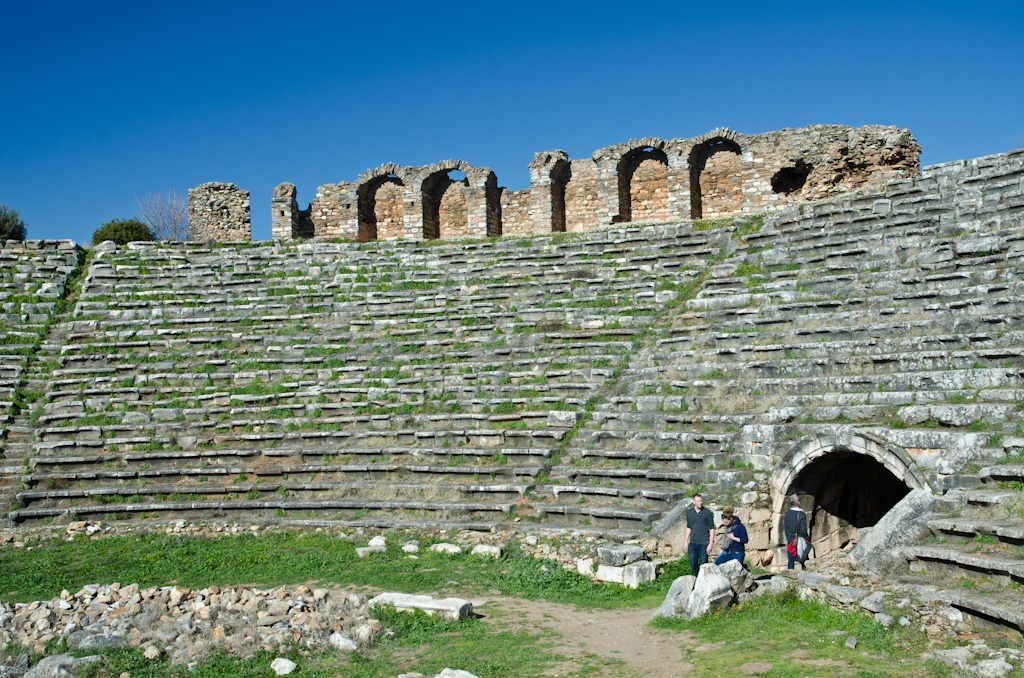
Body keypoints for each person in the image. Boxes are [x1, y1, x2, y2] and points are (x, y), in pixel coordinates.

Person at [682, 493, 715, 577]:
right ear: (694, 502)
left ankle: (703, 582)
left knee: (703, 566)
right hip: (693, 542)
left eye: (701, 501)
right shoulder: (689, 512)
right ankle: (697, 579)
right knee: (693, 564)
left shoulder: (707, 513)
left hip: (704, 543)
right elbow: (689, 527)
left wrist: (710, 544)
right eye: (698, 501)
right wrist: (686, 542)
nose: (700, 503)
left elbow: (712, 528)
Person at [784, 494, 809, 570]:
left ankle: (790, 574)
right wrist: (806, 538)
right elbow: (803, 529)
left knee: (791, 558)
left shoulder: (787, 514)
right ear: (797, 503)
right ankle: (805, 574)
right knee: (803, 557)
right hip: (800, 538)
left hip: (790, 538)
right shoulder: (801, 514)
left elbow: (786, 527)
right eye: (799, 500)